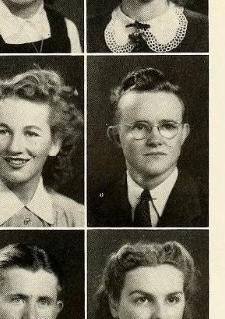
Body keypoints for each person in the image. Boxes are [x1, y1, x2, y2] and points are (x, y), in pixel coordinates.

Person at [0, 68, 84, 227]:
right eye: (3, 131)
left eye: (31, 133)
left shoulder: (77, 217)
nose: (14, 147)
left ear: (55, 143)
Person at [88, 67, 207, 227]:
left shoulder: (214, 204)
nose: (155, 140)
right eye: (140, 127)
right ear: (116, 136)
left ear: (183, 134)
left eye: (168, 126)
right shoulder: (90, 206)